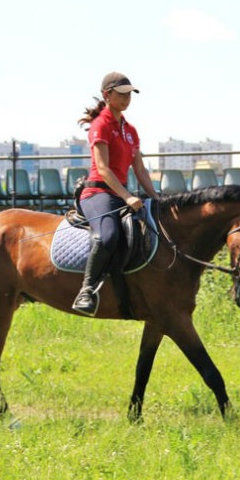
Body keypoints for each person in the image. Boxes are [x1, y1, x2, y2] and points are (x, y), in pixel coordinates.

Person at [72, 72, 160, 316]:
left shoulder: (130, 130)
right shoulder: (100, 125)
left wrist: (156, 196)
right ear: (107, 95)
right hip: (97, 193)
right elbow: (103, 168)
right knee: (108, 236)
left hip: (120, 193)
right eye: (121, 94)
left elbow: (140, 169)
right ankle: (86, 290)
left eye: (129, 94)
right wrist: (127, 197)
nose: (126, 98)